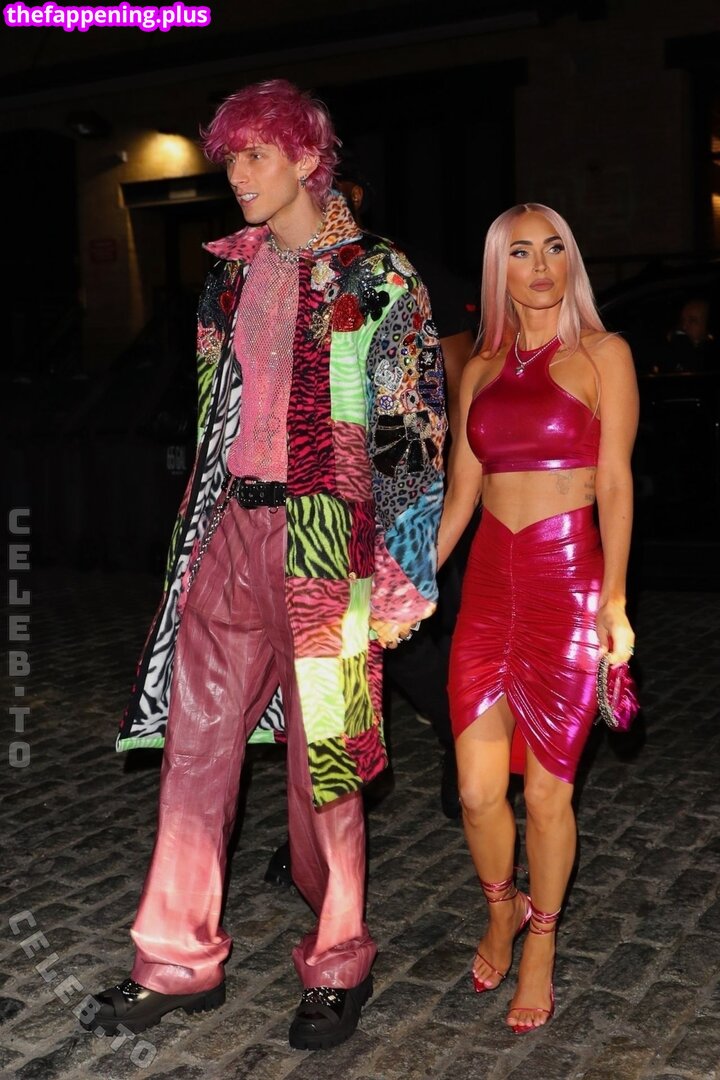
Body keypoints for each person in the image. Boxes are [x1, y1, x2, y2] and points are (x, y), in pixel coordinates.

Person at [81, 79, 446, 1051]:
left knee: (326, 762)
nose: (237, 175)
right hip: (227, 534)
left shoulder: (378, 275)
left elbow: (413, 433)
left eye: (255, 155)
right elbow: (218, 415)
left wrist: (405, 570)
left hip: (324, 534)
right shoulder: (227, 278)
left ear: (306, 158)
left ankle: (338, 960)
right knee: (194, 752)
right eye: (230, 158)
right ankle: (175, 963)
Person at [437, 203, 638, 1034]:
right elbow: (461, 495)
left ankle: (543, 940)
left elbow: (616, 482)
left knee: (550, 794)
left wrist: (615, 599)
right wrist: (406, 585)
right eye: (521, 252)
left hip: (568, 585)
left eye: (555, 248)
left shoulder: (603, 354)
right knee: (478, 790)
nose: (542, 265)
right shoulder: (480, 368)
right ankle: (502, 908)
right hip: (489, 586)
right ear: (500, 270)